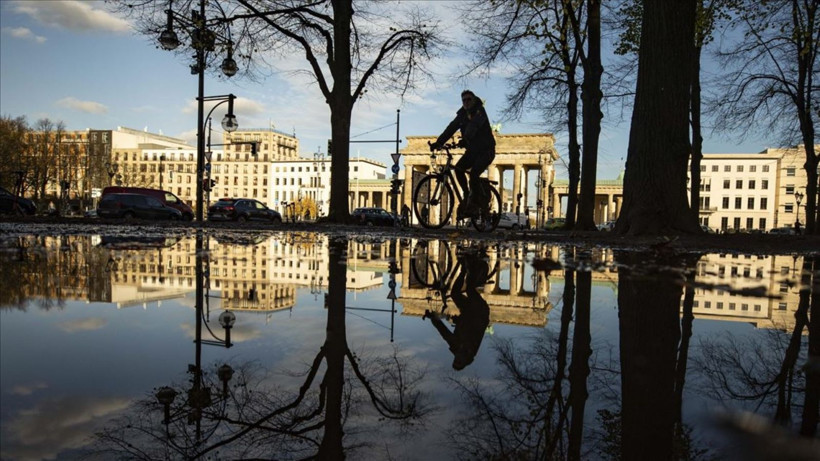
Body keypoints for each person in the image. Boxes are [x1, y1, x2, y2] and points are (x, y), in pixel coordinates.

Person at [430, 90, 496, 219]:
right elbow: (451, 128)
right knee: (458, 169)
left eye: (468, 99)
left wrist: (465, 139)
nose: (466, 102)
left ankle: (475, 204)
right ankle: (467, 196)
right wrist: (439, 142)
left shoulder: (479, 111)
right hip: (472, 151)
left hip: (486, 150)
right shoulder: (461, 115)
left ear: (474, 100)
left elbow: (473, 126)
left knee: (474, 174)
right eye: (464, 100)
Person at [423, 249, 490, 370]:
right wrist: (459, 321)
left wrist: (433, 318)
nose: (457, 359)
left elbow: (443, 332)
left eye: (455, 361)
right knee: (469, 289)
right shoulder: (471, 350)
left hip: (468, 312)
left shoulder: (455, 347)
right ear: (464, 362)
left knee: (455, 294)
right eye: (459, 362)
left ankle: (464, 269)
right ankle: (473, 265)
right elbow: (473, 328)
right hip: (480, 312)